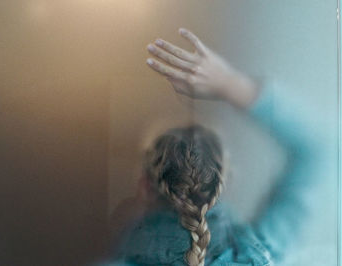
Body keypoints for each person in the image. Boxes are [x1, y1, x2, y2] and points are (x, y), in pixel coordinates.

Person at [102, 28, 328, 266]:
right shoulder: (262, 254)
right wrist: (229, 84)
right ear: (225, 182)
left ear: (144, 186)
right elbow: (318, 149)